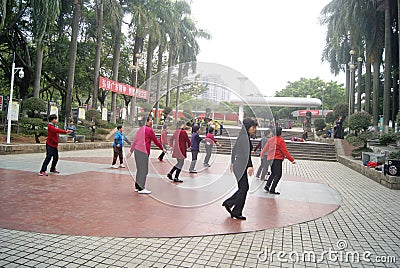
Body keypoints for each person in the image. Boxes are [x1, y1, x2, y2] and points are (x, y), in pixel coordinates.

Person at [222, 118, 257, 220]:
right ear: (247, 127)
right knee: (244, 188)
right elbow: (246, 154)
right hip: (241, 165)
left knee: (243, 188)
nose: (254, 129)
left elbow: (235, 150)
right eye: (253, 127)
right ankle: (236, 211)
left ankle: (229, 203)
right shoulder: (244, 137)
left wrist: (232, 162)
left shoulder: (242, 136)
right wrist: (250, 165)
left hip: (239, 165)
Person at [127, 116, 166, 194]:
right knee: (144, 170)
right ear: (147, 122)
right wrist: (163, 149)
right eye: (151, 120)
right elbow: (156, 141)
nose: (152, 122)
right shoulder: (149, 130)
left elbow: (135, 140)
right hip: (143, 152)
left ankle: (137, 187)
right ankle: (141, 188)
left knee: (139, 170)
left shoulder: (141, 129)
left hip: (137, 151)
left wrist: (131, 151)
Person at [261, 127, 296, 195]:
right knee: (278, 174)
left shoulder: (270, 140)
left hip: (270, 159)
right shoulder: (280, 140)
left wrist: (262, 156)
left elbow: (265, 148)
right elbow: (285, 151)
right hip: (277, 159)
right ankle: (272, 189)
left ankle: (267, 186)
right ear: (280, 133)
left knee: (273, 173)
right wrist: (291, 160)